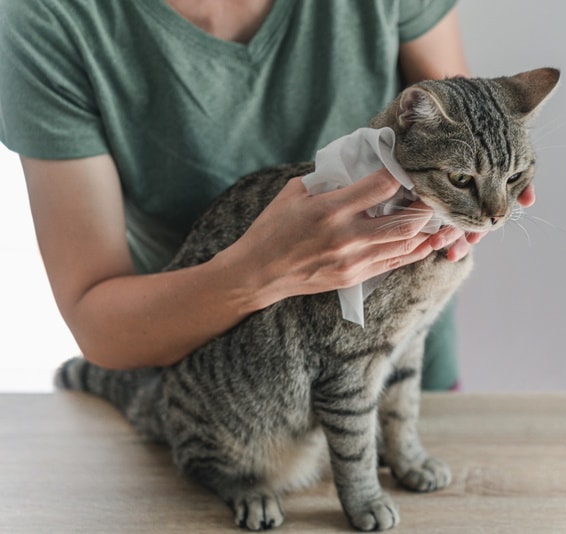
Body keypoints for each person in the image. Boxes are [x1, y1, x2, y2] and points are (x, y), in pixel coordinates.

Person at [0, 0, 534, 389]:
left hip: (401, 366)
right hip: (230, 389)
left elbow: (466, 118)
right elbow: (97, 321)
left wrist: (485, 181)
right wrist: (258, 271)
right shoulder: (47, 20)